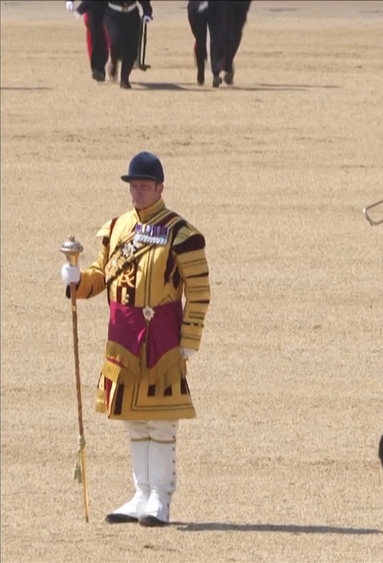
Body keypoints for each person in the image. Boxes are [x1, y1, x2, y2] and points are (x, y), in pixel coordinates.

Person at [59, 151, 211, 525]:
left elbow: (200, 290)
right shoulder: (116, 228)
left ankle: (161, 496)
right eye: (134, 185)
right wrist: (79, 282)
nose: (138, 192)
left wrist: (189, 335)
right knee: (133, 420)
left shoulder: (181, 233)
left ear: (160, 187)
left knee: (161, 422)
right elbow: (101, 275)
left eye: (145, 186)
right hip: (122, 337)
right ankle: (141, 493)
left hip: (162, 338)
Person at [103, 0, 152, 89]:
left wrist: (147, 12)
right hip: (112, 14)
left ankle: (124, 79)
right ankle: (114, 60)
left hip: (131, 14)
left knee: (132, 48)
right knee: (116, 41)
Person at [70, 1, 111, 82]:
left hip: (112, 7)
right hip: (92, 7)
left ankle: (113, 61)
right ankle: (98, 69)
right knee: (95, 37)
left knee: (109, 36)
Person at [187, 0, 224, 87]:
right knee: (200, 40)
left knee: (216, 38)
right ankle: (201, 66)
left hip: (215, 6)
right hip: (196, 5)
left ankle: (216, 73)